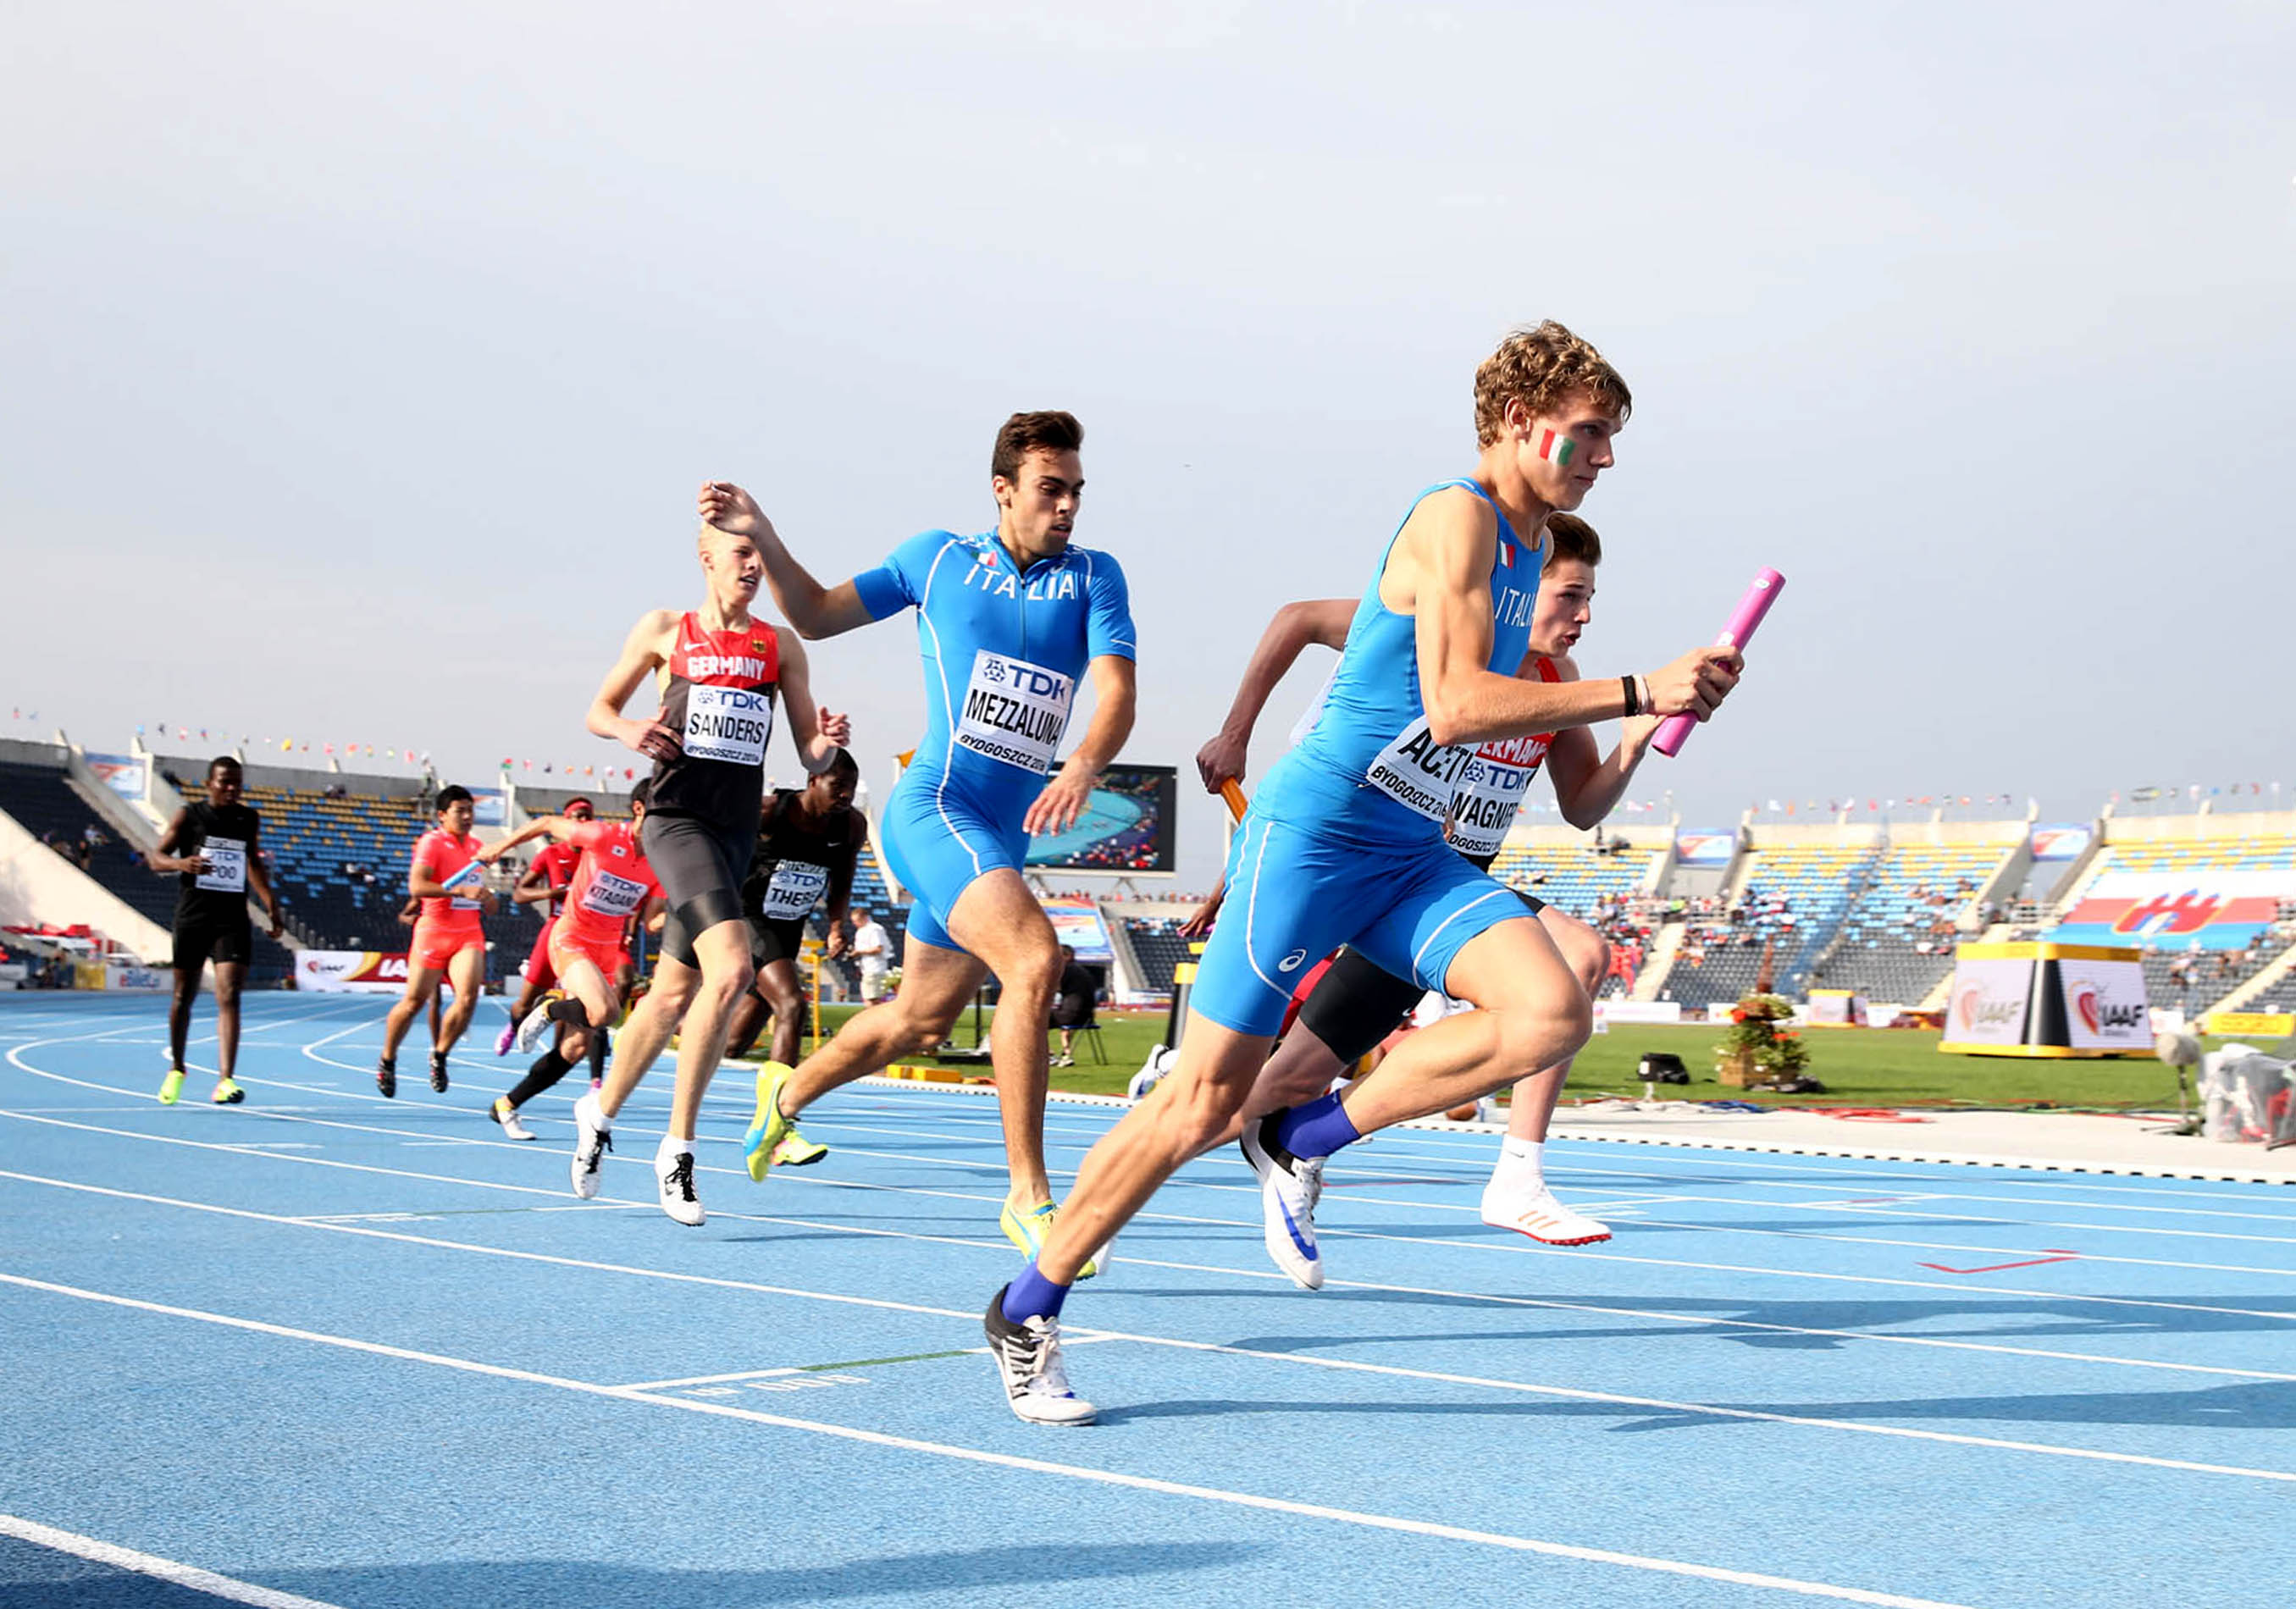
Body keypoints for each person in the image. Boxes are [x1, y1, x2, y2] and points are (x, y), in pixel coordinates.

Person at [980, 322, 1741, 1424]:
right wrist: (1637, 692)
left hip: (1405, 850)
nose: (1603, 460)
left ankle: (1300, 1135)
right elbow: (1456, 706)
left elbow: (1528, 753)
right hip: (1315, 839)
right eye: (1587, 436)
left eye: (1609, 441)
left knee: (1548, 1010)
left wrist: (1640, 710)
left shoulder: (1528, 548)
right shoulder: (1455, 519)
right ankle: (1027, 1303)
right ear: (1524, 426)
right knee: (1195, 1104)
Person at [699, 409, 1137, 1270]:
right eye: (1051, 489)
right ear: (1002, 489)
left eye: (1077, 491)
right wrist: (767, 536)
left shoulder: (1095, 577)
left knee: (919, 1018)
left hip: (994, 841)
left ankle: (783, 1092)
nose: (1068, 508)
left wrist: (1085, 760)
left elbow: (1117, 691)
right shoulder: (937, 558)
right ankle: (1027, 1197)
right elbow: (818, 615)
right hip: (933, 809)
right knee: (1033, 960)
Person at [1187, 513, 1655, 1247]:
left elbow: (1582, 807)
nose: (1584, 616)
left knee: (1577, 960)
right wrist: (1235, 732)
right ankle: (1111, 1193)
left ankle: (1512, 1177)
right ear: (1522, 587)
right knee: (1257, 1093)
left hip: (1446, 894)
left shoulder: (1558, 682)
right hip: (1381, 878)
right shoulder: (1436, 628)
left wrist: (1630, 748)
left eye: (1589, 597)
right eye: (1569, 595)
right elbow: (1297, 619)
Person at [567, 506, 850, 1225]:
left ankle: (597, 1115)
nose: (753, 567)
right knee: (730, 972)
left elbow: (810, 753)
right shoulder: (666, 630)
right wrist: (629, 726)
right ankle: (678, 1153)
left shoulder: (780, 646)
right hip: (675, 819)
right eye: (740, 554)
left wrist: (827, 741)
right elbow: (600, 708)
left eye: (760, 556)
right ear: (707, 559)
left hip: (733, 835)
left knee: (667, 998)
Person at [479, 782, 664, 1142]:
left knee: (577, 1048)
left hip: (606, 952)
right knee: (606, 1012)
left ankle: (506, 1104)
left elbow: (653, 920)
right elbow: (547, 823)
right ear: (640, 809)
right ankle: (550, 1009)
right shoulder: (602, 834)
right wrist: (499, 847)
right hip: (571, 939)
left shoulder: (661, 861)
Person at [146, 755, 284, 1105]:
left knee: (230, 993)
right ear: (209, 783)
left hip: (232, 918)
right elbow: (154, 857)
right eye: (224, 782)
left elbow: (252, 861)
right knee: (183, 997)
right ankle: (177, 1068)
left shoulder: (247, 818)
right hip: (193, 916)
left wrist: (270, 903)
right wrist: (180, 863)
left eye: (237, 783)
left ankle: (225, 1080)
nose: (232, 789)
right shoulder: (189, 816)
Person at [724, 754, 865, 1071]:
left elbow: (842, 878)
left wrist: (835, 926)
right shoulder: (770, 811)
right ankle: (779, 1108)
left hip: (789, 926)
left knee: (734, 1043)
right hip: (748, 918)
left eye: (852, 788)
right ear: (813, 780)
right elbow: (716, 840)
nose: (846, 795)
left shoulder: (851, 825)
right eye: (838, 786)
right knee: (792, 1005)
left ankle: (670, 1022)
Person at [378, 785, 497, 1096]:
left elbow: (477, 890)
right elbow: (417, 886)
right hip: (435, 929)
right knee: (414, 1002)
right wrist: (458, 892)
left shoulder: (477, 846)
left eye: (471, 810)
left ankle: (440, 1054)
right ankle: (388, 1058)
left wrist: (488, 898)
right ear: (443, 815)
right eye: (461, 811)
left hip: (468, 932)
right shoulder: (432, 843)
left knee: (468, 998)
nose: (468, 816)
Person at [495, 796, 594, 1056]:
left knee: (570, 997)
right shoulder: (551, 854)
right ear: (567, 821)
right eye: (579, 816)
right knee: (526, 1001)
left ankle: (554, 1055)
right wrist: (550, 893)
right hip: (555, 931)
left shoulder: (597, 855)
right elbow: (520, 893)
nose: (584, 821)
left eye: (588, 816)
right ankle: (514, 1024)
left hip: (586, 933)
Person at [1049, 944, 1098, 1067]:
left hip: (1071, 1013)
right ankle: (1066, 1054)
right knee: (1063, 1026)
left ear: (1067, 956)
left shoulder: (1065, 970)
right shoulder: (1082, 971)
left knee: (1035, 1020)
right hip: (1088, 1016)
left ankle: (1047, 1055)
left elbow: (1053, 988)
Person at [849, 909, 890, 1004]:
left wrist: (859, 952)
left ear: (865, 918)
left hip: (874, 967)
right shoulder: (861, 931)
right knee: (869, 998)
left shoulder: (874, 929)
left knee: (872, 999)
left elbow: (878, 948)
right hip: (867, 968)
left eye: (857, 921)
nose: (855, 924)